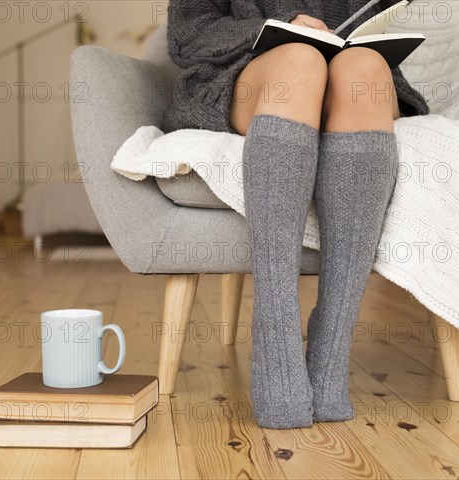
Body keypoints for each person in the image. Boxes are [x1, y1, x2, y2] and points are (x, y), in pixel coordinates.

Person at [164, 0, 430, 429]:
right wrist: (283, 27)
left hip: (348, 70)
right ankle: (275, 331)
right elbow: (188, 34)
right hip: (248, 73)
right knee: (300, 62)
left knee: (365, 68)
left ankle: (333, 341)